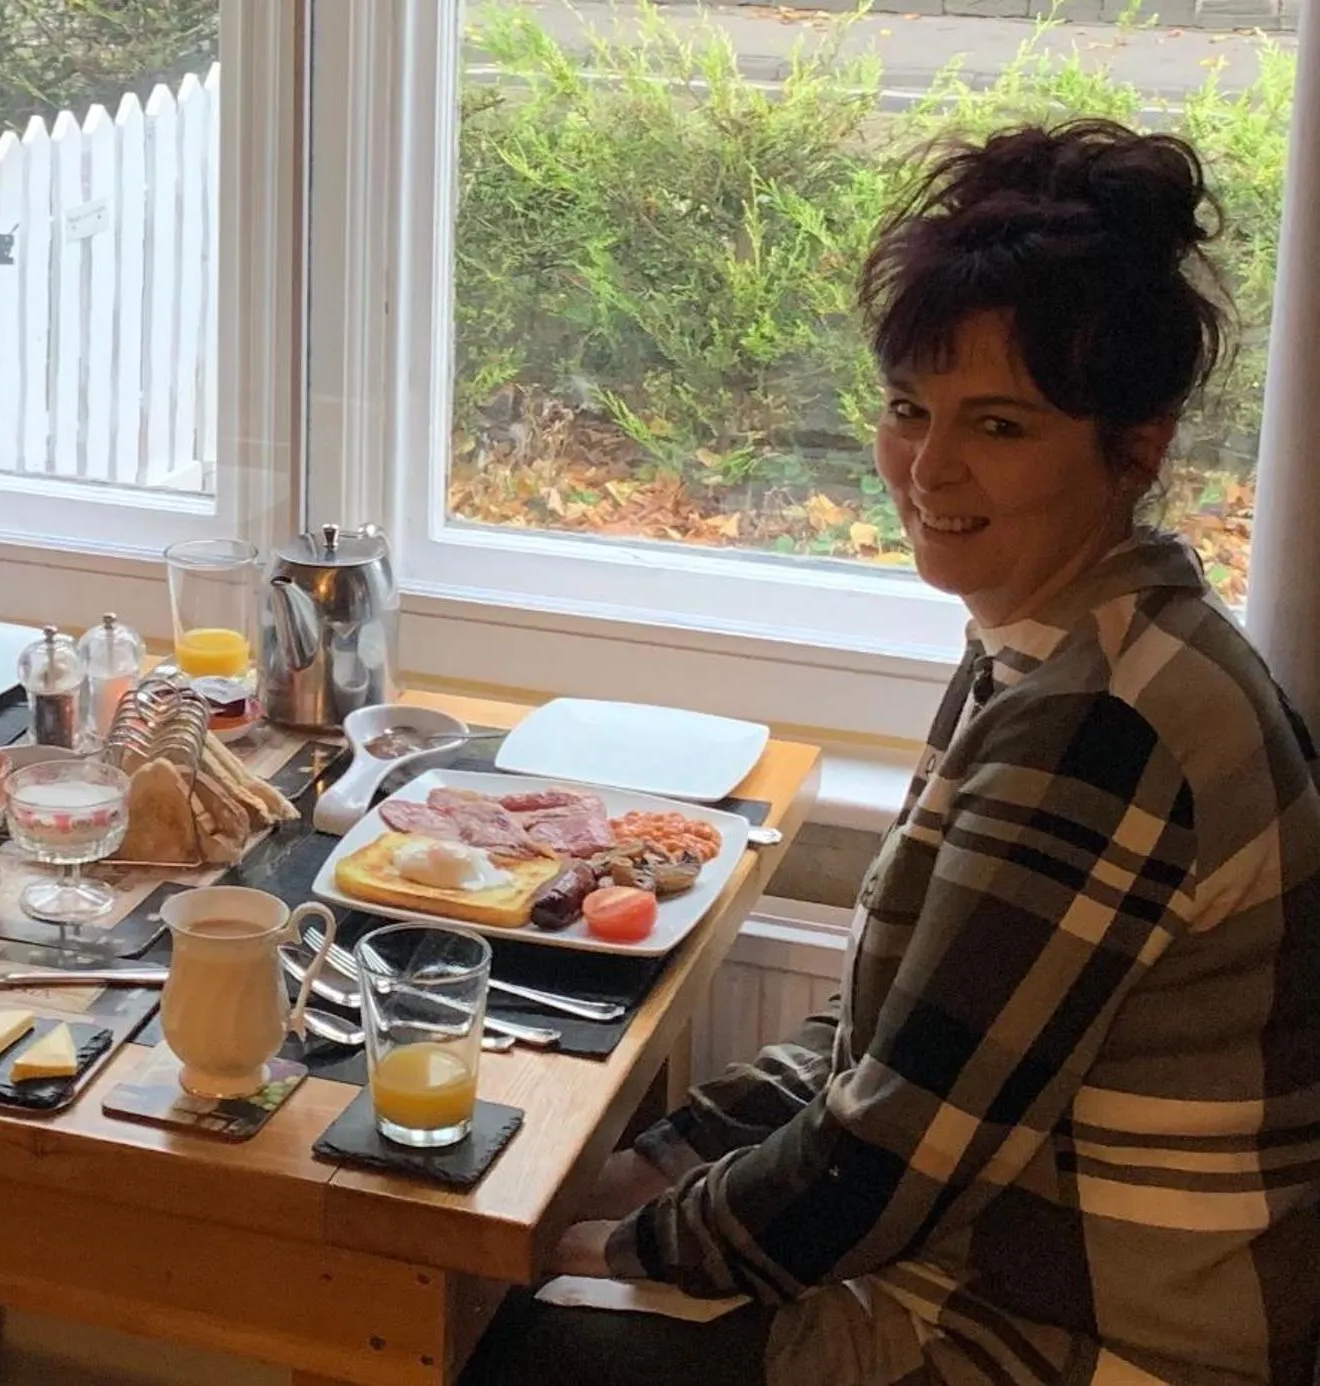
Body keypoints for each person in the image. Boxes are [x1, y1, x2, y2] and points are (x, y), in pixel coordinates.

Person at [463, 120, 1319, 1386]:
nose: (925, 468)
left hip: (1093, 1343)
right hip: (997, 1269)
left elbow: (886, 1163)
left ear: (1134, 446)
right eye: (907, 409)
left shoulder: (1101, 726)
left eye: (1000, 427)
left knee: (502, 1338)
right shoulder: (1058, 640)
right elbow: (890, 1037)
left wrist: (615, 1241)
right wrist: (662, 1153)